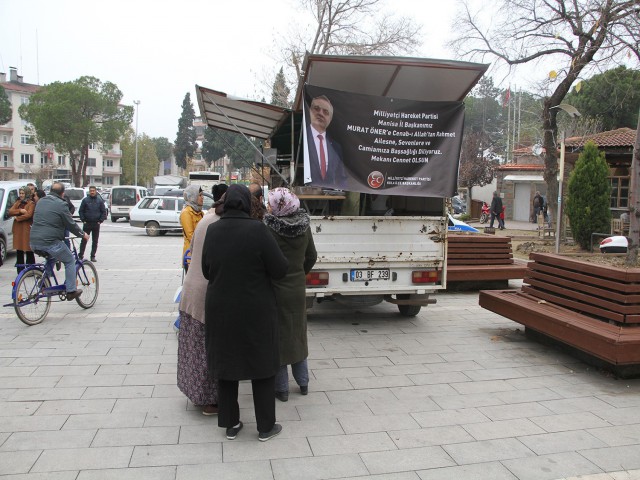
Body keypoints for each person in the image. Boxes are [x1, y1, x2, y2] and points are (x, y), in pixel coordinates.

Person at [201, 184, 288, 442]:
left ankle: (230, 423)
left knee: (226, 365)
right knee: (261, 365)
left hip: (221, 309)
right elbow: (280, 268)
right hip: (255, 309)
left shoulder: (213, 230)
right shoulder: (258, 229)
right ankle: (265, 427)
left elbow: (207, 270)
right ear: (248, 205)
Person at [177, 183, 228, 416]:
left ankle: (198, 395)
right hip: (204, 293)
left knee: (195, 348)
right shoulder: (218, 224)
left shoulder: (207, 218)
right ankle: (210, 402)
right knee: (206, 350)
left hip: (193, 289)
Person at [264, 188, 317, 402]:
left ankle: (282, 389)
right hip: (297, 289)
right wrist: (299, 274)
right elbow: (311, 256)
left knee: (278, 338)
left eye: (270, 203)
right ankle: (303, 383)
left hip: (275, 288)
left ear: (278, 205)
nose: (268, 206)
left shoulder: (269, 228)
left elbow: (264, 258)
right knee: (298, 334)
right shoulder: (304, 226)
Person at [30, 182, 90, 301]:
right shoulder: (62, 204)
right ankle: (71, 290)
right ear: (62, 194)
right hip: (50, 242)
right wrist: (83, 235)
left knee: (51, 258)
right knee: (69, 260)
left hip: (33, 242)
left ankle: (43, 283)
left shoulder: (41, 201)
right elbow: (71, 224)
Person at [305, 95, 348, 189]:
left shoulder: (336, 147)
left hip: (328, 200)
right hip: (303, 199)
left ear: (330, 119)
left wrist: (341, 194)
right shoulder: (301, 139)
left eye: (326, 112)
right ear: (309, 111)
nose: (320, 113)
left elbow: (341, 178)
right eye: (316, 109)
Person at [8, 186, 36, 273]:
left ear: (27, 193)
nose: (21, 195)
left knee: (28, 250)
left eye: (23, 193)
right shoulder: (18, 202)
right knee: (19, 250)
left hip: (26, 229)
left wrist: (18, 218)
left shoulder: (31, 203)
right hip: (18, 229)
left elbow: (28, 214)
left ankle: (30, 270)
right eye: (20, 193)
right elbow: (10, 211)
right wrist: (20, 211)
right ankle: (20, 270)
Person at [78, 185, 107, 262]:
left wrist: (100, 221)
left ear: (96, 191)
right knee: (84, 240)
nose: (92, 192)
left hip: (96, 224)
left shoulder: (99, 201)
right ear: (89, 192)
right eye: (91, 191)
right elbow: (81, 211)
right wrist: (83, 219)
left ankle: (93, 256)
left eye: (93, 191)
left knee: (95, 241)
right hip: (87, 223)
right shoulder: (85, 200)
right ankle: (80, 255)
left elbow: (103, 212)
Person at [180, 185, 204, 270]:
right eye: (200, 195)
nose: (202, 197)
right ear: (193, 197)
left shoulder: (200, 212)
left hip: (201, 253)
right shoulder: (186, 213)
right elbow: (191, 236)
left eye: (202, 195)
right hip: (191, 255)